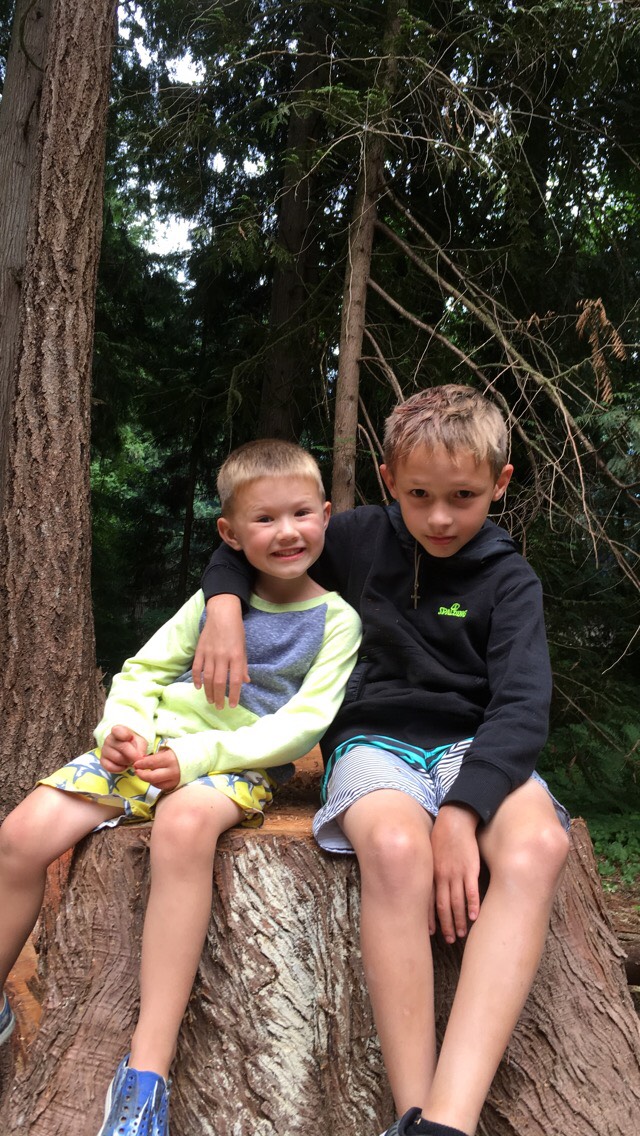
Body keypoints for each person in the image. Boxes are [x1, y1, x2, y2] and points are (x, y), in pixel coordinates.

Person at [194, 385, 571, 1136]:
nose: (440, 518)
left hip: (475, 746)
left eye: (463, 497)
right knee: (396, 848)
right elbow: (250, 543)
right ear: (389, 477)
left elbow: (522, 706)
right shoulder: (357, 538)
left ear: (500, 483)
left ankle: (447, 1122)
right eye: (419, 495)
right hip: (374, 741)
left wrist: (462, 811)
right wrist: (224, 606)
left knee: (538, 846)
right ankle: (412, 1108)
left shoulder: (509, 581)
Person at [0, 439, 361, 1136]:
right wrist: (122, 730)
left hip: (234, 764)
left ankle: (146, 1073)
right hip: (151, 749)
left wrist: (199, 757)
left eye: (300, 514)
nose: (286, 532)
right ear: (231, 533)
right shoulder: (211, 602)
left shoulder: (338, 621)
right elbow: (142, 672)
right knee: (20, 834)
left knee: (184, 826)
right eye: (264, 519)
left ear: (325, 515)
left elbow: (302, 726)